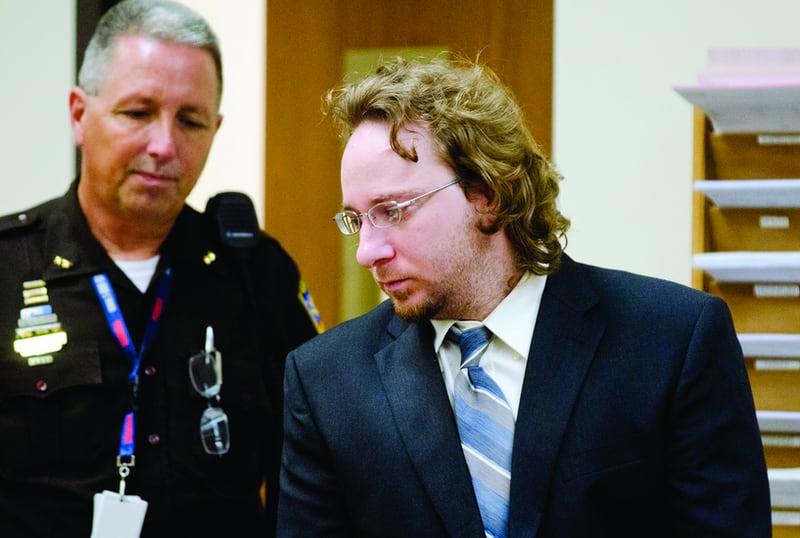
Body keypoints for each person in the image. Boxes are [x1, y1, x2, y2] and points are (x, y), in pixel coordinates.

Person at [276, 56, 771, 537]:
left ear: (487, 193)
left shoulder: (672, 342)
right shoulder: (326, 381)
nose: (367, 251)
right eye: (356, 219)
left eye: (393, 210)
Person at [0, 1, 322, 536]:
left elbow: (311, 467)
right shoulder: (8, 267)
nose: (164, 145)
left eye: (190, 120)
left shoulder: (256, 273)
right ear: (80, 115)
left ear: (215, 129)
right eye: (137, 112)